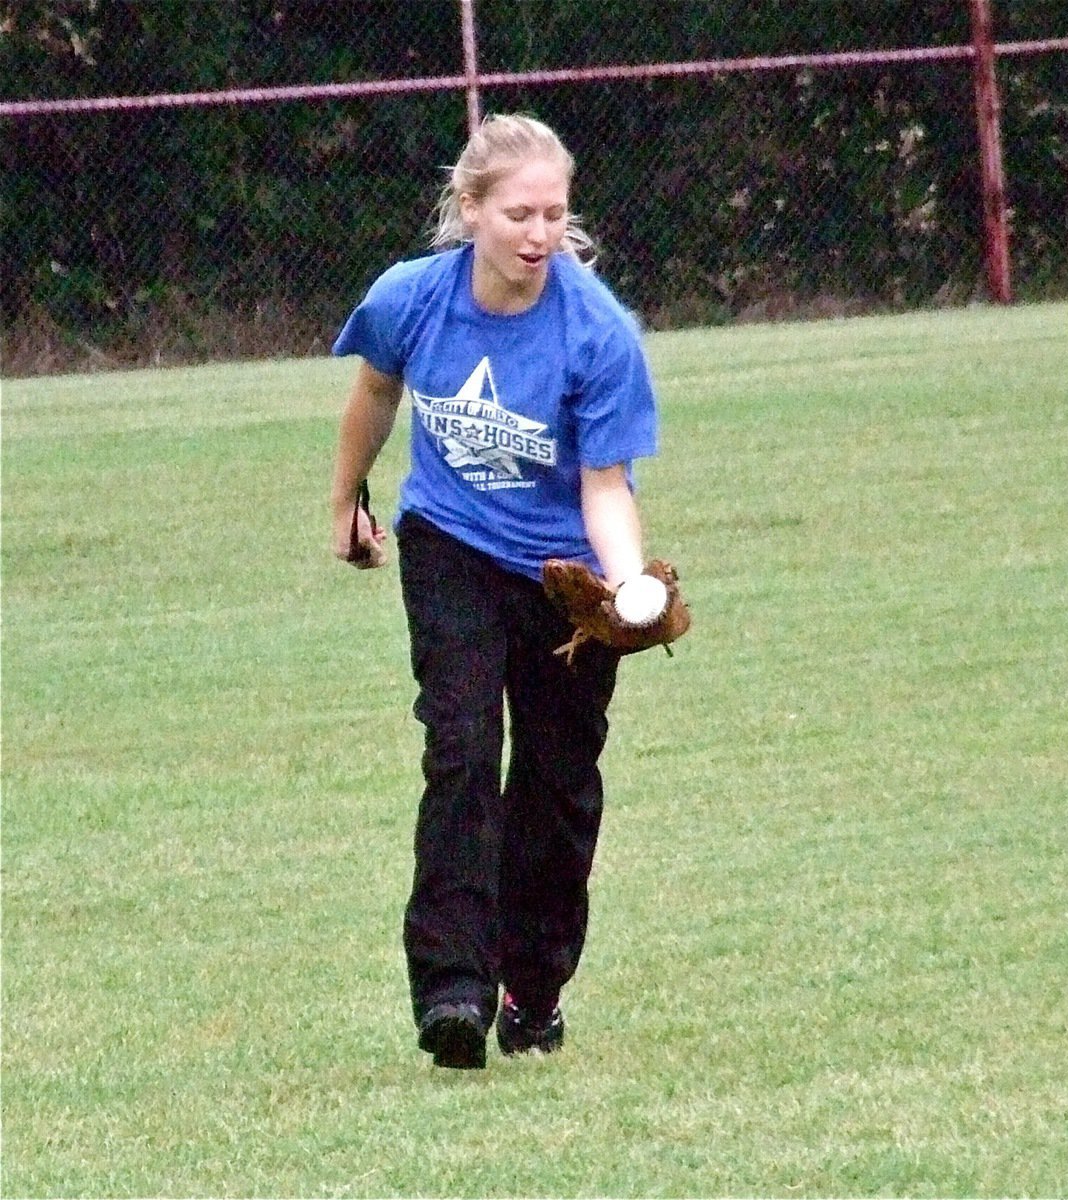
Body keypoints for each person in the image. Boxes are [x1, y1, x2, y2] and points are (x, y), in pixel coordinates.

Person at [329, 113, 660, 1070]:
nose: (538, 233)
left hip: (567, 576)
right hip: (452, 542)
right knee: (464, 746)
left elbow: (606, 487)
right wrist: (348, 501)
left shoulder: (597, 331)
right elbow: (375, 397)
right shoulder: (412, 299)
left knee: (557, 790)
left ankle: (532, 988)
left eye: (555, 213)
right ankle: (454, 990)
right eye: (519, 212)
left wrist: (628, 584)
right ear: (471, 208)